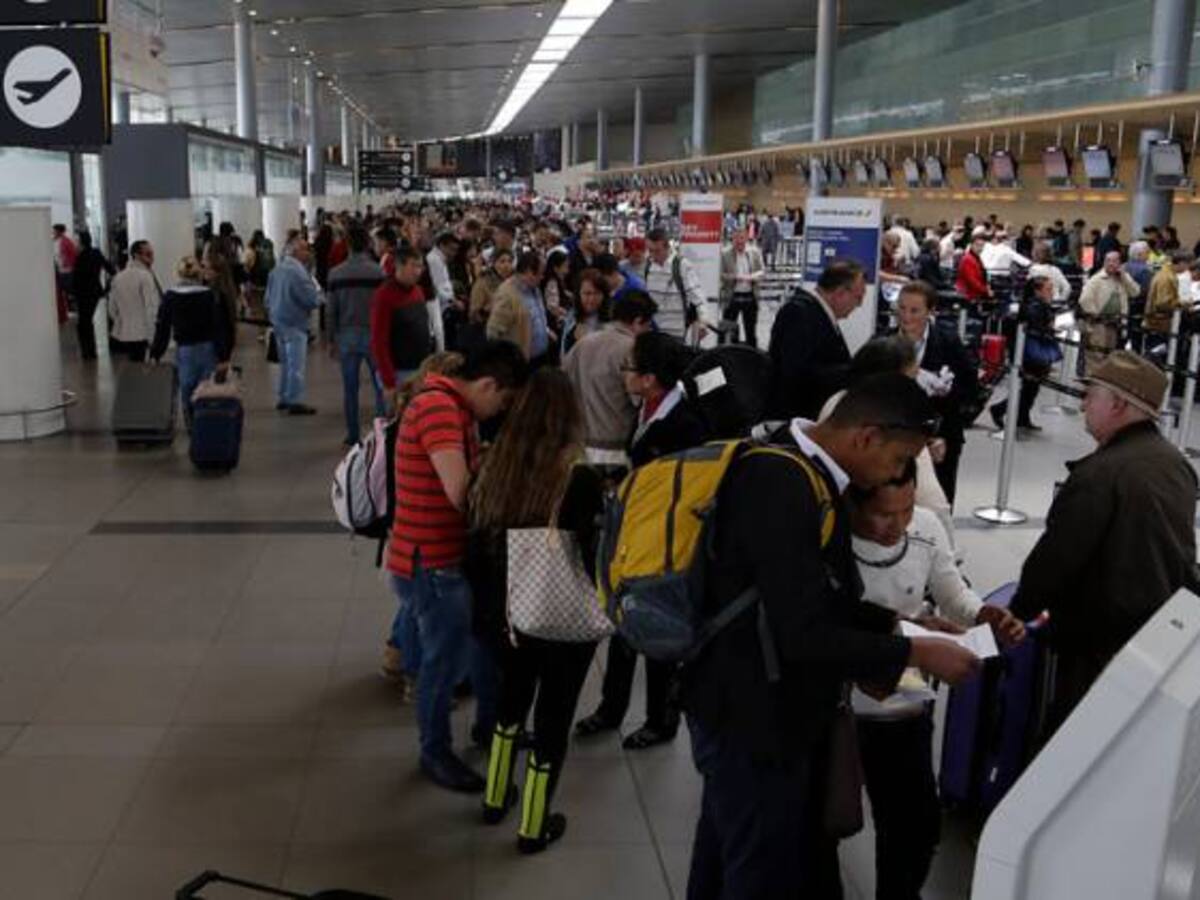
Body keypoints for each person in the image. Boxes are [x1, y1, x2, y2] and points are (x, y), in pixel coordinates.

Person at [682, 373, 982, 900]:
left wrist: (898, 626)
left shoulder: (801, 469)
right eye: (897, 461)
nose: (894, 475)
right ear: (866, 437)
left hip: (747, 701)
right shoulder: (783, 484)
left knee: (724, 851)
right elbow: (802, 633)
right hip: (753, 715)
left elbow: (815, 599)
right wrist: (912, 651)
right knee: (759, 870)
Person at [848, 463, 1024, 900]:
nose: (899, 525)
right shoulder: (830, 535)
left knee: (914, 826)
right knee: (828, 814)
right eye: (884, 515)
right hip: (842, 704)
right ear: (853, 503)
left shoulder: (925, 528)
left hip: (905, 698)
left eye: (907, 509)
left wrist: (983, 614)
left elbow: (953, 594)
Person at [1010, 351, 1197, 741]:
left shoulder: (1099, 474)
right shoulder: (1174, 464)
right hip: (1156, 635)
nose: (1083, 404)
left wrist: (1016, 614)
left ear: (1119, 404)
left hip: (1095, 644)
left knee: (1070, 744)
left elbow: (1055, 562)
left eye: (1091, 394)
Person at [468, 369, 603, 853]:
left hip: (510, 609)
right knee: (554, 714)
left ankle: (495, 795)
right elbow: (593, 555)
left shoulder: (497, 465)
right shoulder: (579, 477)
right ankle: (533, 824)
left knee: (512, 699)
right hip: (563, 615)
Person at [385, 340, 530, 793]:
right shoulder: (439, 410)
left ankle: (486, 727)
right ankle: (435, 752)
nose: (498, 410)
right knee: (442, 665)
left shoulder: (450, 406)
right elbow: (459, 493)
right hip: (431, 563)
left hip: (442, 556)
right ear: (487, 384)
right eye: (502, 400)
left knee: (475, 647)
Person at [575, 331, 708, 750]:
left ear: (650, 378)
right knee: (623, 623)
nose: (624, 373)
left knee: (659, 631)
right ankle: (610, 708)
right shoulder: (650, 409)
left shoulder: (683, 421)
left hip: (665, 545)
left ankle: (661, 719)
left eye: (629, 367)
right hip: (634, 536)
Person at [895, 281, 978, 506]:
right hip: (895, 441)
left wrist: (942, 434)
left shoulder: (949, 342)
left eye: (914, 310)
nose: (906, 316)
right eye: (901, 308)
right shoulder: (884, 342)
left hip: (941, 441)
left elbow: (970, 389)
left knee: (937, 504)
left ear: (930, 312)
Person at [562, 291, 658, 470]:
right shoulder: (632, 350)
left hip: (578, 446)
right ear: (637, 322)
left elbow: (562, 383)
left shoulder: (583, 343)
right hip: (615, 448)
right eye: (648, 326)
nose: (649, 332)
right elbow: (638, 399)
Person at [767, 258, 864, 421]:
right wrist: (851, 372)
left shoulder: (818, 313)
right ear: (840, 292)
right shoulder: (799, 313)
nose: (860, 304)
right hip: (797, 419)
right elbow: (796, 373)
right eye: (858, 297)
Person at [149, 257, 233, 427]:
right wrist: (224, 355)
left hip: (185, 350)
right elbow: (218, 327)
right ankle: (206, 422)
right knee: (207, 389)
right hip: (208, 348)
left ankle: (191, 422)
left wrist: (156, 353)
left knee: (187, 388)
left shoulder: (170, 296)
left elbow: (162, 327)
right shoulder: (209, 295)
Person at [327, 225, 386, 447]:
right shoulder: (378, 273)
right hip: (374, 334)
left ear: (348, 245)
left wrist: (331, 338)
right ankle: (382, 432)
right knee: (380, 386)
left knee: (350, 389)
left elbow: (332, 310)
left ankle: (352, 435)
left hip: (347, 335)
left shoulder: (336, 273)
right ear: (368, 244)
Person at [989, 275, 1059, 433]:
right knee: (1028, 387)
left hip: (1031, 351)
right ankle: (999, 409)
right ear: (1037, 291)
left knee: (1031, 388)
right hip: (1030, 352)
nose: (1052, 292)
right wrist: (1049, 329)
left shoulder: (1038, 305)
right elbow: (1036, 329)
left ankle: (1022, 417)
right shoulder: (1034, 307)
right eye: (1048, 289)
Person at [265, 234, 322, 415]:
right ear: (297, 251)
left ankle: (283, 396)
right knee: (296, 364)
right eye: (305, 248)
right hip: (295, 322)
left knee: (285, 363)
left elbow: (267, 299)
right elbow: (310, 299)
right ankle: (295, 400)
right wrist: (320, 296)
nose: (308, 252)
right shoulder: (298, 272)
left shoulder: (277, 269)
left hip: (278, 322)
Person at [370, 246, 432, 408]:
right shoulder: (384, 296)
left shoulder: (418, 291)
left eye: (420, 266)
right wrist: (389, 382)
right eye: (414, 266)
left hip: (419, 368)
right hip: (398, 372)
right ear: (400, 266)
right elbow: (378, 340)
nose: (418, 272)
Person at [643, 226, 710, 341]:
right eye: (650, 250)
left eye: (657, 251)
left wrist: (703, 322)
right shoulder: (648, 266)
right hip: (652, 330)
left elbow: (698, 298)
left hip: (676, 332)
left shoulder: (682, 265)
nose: (653, 255)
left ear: (667, 247)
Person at [487, 251, 553, 365]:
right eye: (540, 274)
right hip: (523, 361)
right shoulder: (507, 295)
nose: (542, 277)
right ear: (528, 272)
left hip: (542, 356)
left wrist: (545, 330)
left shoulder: (534, 289)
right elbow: (493, 333)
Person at [1078, 250, 1139, 373]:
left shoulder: (1122, 278)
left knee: (1109, 357)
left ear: (1120, 263)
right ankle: (1092, 384)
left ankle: (1102, 384)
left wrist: (1124, 276)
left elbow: (1135, 292)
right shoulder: (1096, 279)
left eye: (1115, 261)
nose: (1111, 264)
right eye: (1108, 261)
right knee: (1096, 356)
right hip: (1098, 324)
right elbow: (1084, 300)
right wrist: (1095, 315)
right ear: (1104, 262)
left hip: (1115, 324)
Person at [108, 240, 161, 363]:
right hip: (141, 334)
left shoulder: (118, 277)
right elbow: (151, 308)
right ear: (137, 255)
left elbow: (112, 308)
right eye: (148, 254)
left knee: (127, 372)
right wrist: (153, 336)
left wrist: (121, 322)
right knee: (140, 371)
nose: (152, 258)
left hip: (121, 334)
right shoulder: (145, 276)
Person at [70, 231, 115, 360]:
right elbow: (110, 269)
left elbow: (77, 278)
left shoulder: (81, 256)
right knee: (86, 321)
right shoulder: (96, 253)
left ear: (81, 242)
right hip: (94, 292)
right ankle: (89, 351)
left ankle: (88, 351)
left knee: (84, 323)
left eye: (76, 241)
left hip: (83, 293)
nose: (74, 243)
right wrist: (107, 288)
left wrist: (73, 293)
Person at [463, 249, 514, 358]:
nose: (506, 265)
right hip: (487, 334)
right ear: (493, 263)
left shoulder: (513, 283)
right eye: (502, 261)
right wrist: (487, 309)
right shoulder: (483, 282)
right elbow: (473, 313)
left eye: (509, 261)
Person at [720, 229, 766, 347]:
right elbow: (720, 274)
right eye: (736, 238)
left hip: (750, 296)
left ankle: (752, 359)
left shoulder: (755, 252)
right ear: (732, 239)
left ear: (746, 239)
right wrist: (735, 277)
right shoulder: (725, 254)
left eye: (742, 238)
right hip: (732, 297)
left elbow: (762, 271)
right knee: (730, 331)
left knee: (751, 332)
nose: (739, 241)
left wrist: (751, 277)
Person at [560, 268, 608, 357]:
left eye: (597, 293)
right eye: (587, 293)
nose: (592, 299)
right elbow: (564, 352)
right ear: (579, 294)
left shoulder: (611, 319)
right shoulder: (572, 317)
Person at [425, 231, 458, 352]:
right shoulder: (434, 260)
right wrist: (453, 301)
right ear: (442, 246)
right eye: (451, 249)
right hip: (437, 305)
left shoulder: (440, 258)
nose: (453, 253)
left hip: (444, 305)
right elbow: (437, 286)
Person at [954, 228, 992, 303]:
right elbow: (972, 281)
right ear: (971, 245)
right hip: (968, 295)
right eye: (978, 245)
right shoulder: (968, 259)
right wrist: (986, 291)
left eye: (982, 246)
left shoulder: (976, 257)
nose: (980, 248)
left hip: (974, 293)